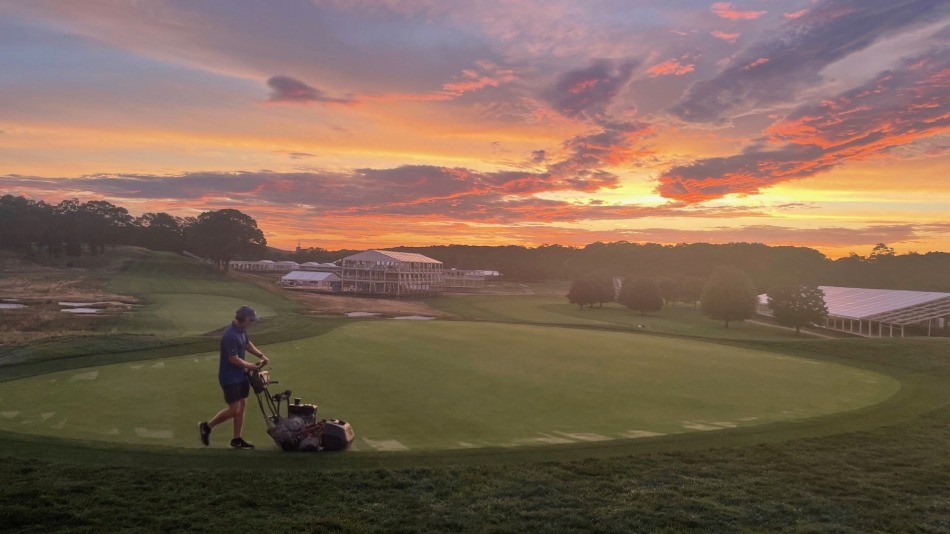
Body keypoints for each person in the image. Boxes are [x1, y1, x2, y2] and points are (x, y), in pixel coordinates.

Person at [198, 305, 269, 449]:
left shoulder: (241, 330)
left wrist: (261, 355)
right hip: (229, 377)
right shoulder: (230, 335)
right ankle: (207, 426)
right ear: (243, 318)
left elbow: (247, 344)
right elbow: (233, 359)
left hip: (241, 375)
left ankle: (236, 439)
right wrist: (251, 366)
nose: (252, 323)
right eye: (250, 320)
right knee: (234, 409)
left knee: (242, 406)